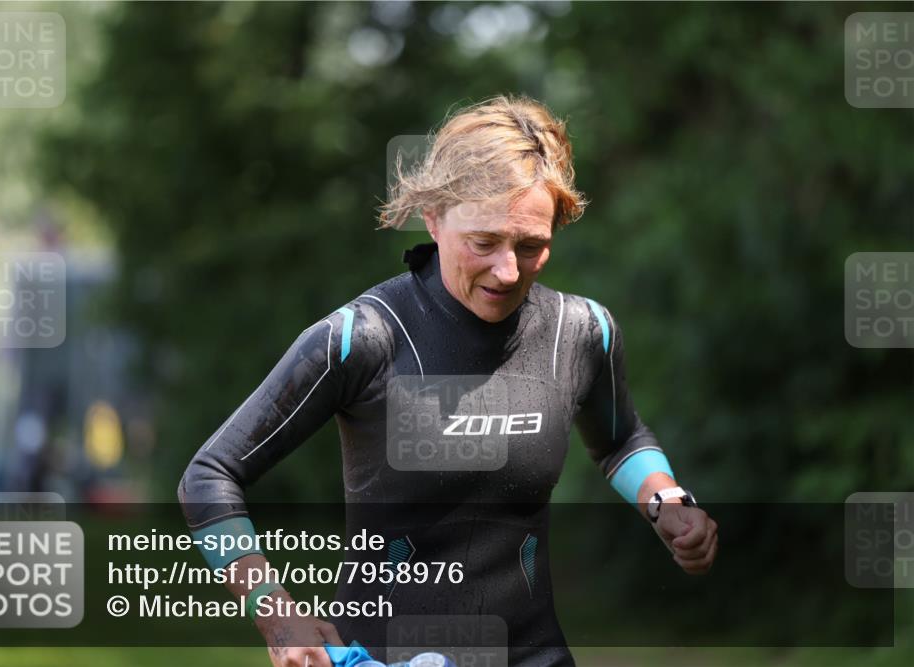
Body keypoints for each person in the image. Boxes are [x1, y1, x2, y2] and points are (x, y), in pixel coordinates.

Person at [178, 94, 718, 667]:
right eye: (484, 242)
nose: (508, 270)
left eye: (532, 246)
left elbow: (619, 440)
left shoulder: (581, 332)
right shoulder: (362, 339)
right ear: (433, 218)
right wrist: (277, 614)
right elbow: (210, 476)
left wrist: (668, 503)